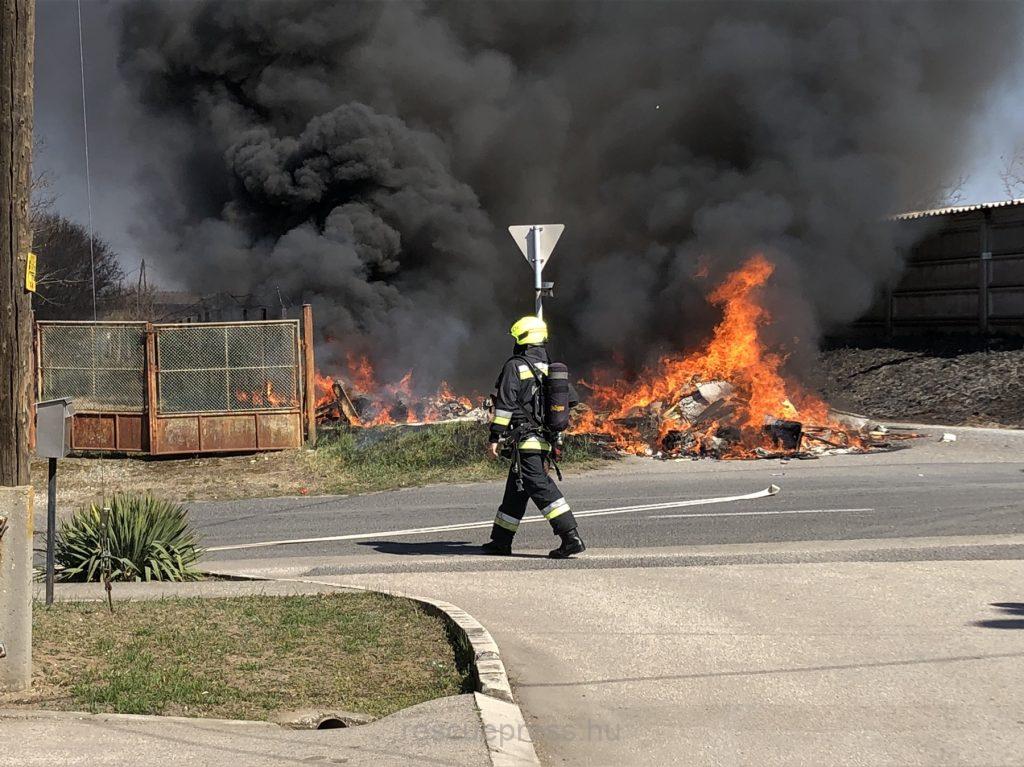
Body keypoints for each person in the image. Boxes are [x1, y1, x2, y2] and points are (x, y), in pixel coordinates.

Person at [482, 315, 586, 558]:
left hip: (525, 438)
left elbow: (505, 407)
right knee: (517, 491)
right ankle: (501, 541)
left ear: (522, 339)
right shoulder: (549, 367)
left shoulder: (514, 366)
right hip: (543, 439)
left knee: (538, 485)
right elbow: (571, 400)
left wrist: (494, 438)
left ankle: (570, 536)